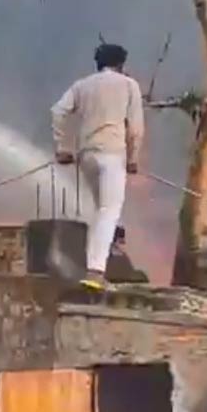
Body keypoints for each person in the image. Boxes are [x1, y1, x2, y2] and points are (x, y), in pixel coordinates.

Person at [51, 43, 145, 291]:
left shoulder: (82, 85)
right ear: (122, 64)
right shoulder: (128, 85)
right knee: (109, 210)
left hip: (86, 155)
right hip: (113, 154)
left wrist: (62, 147)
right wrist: (134, 158)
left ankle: (105, 251)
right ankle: (96, 271)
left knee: (100, 209)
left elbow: (58, 111)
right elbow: (135, 127)